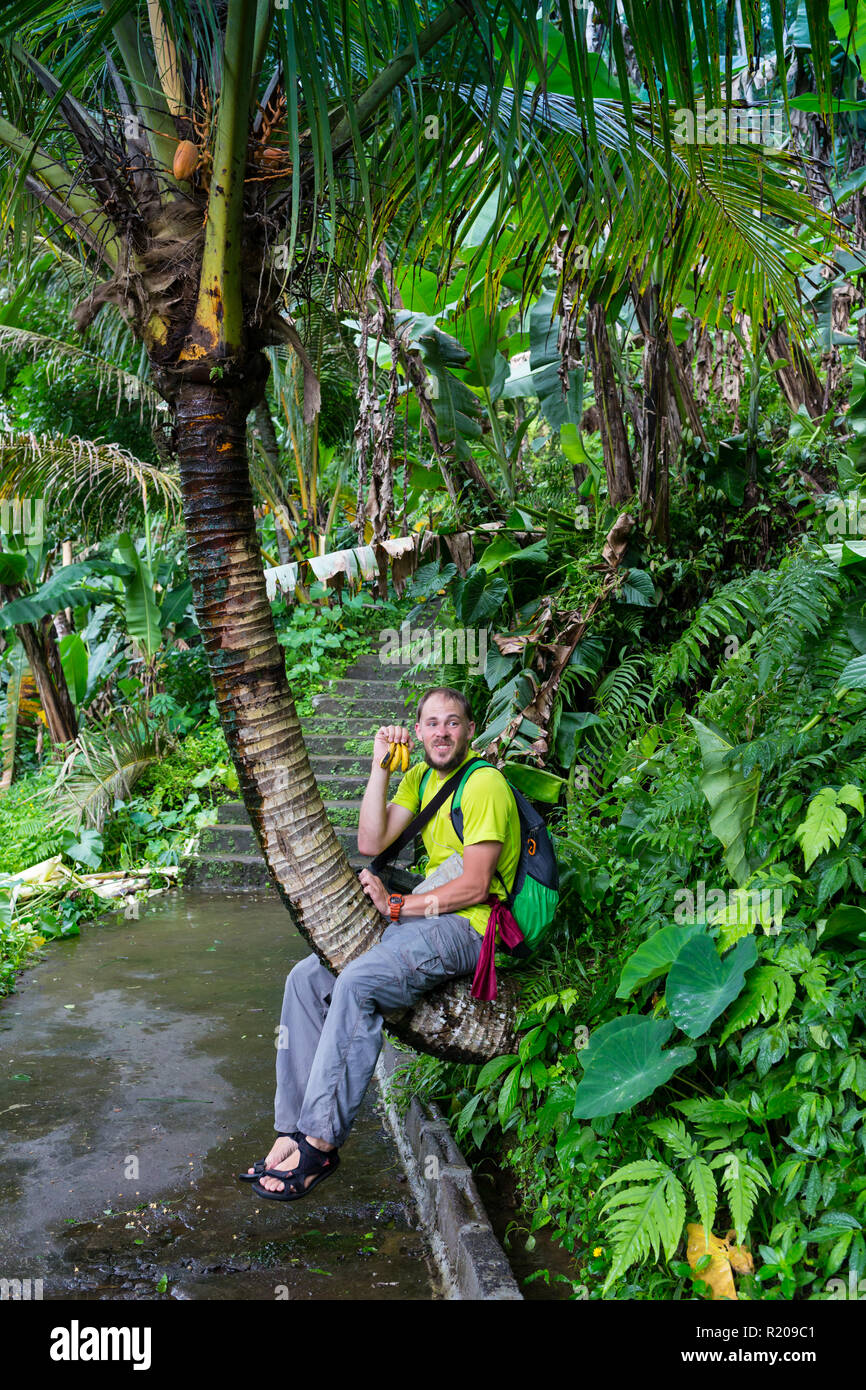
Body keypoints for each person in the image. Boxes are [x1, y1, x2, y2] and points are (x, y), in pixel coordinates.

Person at [241, 686, 521, 1200]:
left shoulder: (484, 785)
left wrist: (396, 907)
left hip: (469, 928)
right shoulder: (419, 777)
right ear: (417, 733)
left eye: (453, 722)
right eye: (432, 723)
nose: (442, 732)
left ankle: (319, 1144)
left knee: (358, 983)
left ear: (469, 729)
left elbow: (477, 886)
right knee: (305, 979)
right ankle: (291, 1130)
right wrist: (381, 767)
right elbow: (370, 843)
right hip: (421, 921)